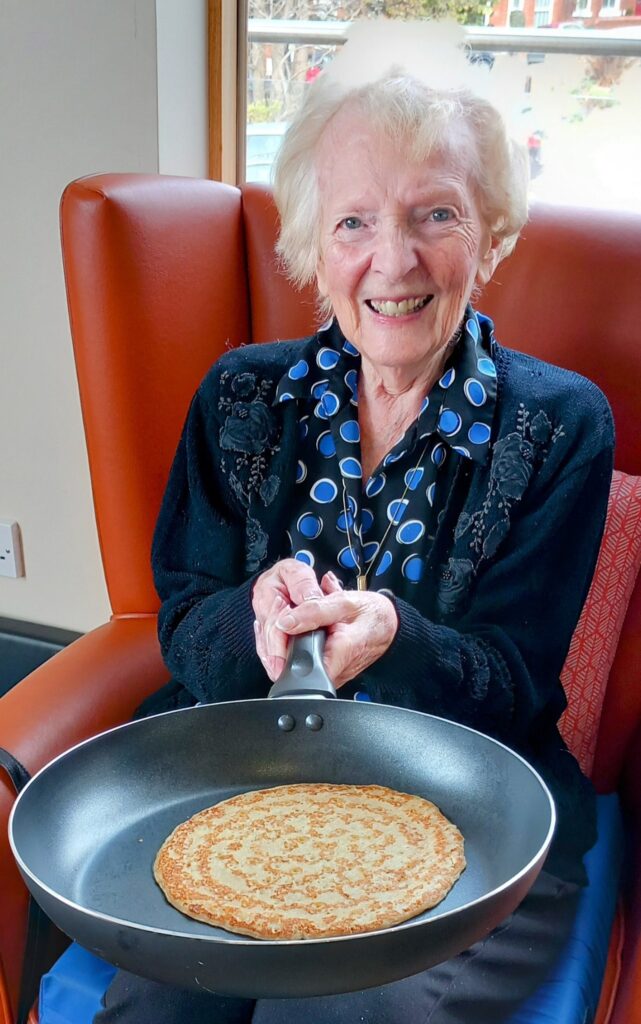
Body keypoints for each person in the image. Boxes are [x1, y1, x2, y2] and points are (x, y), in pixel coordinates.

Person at [95, 19, 614, 1024]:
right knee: (156, 1010)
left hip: (475, 813)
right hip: (239, 785)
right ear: (309, 242)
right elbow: (182, 621)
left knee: (331, 1013)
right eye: (352, 222)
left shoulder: (556, 427)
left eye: (435, 214)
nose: (393, 259)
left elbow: (512, 682)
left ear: (491, 231)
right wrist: (252, 613)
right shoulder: (240, 400)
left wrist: (393, 638)